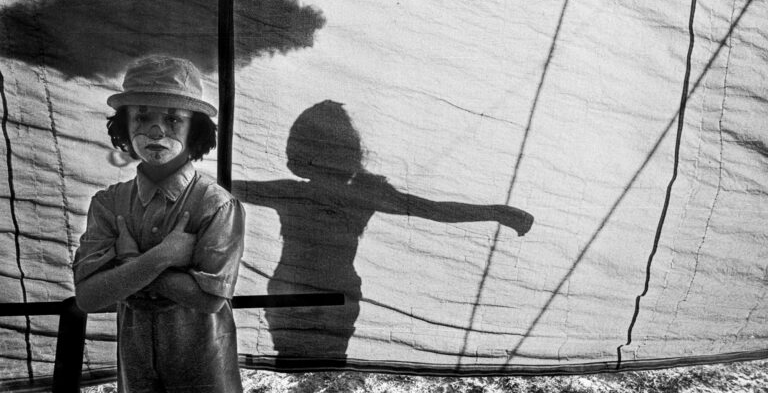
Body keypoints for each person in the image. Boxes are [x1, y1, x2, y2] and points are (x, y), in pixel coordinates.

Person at [233, 100, 533, 367]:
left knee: (303, 366)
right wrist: (493, 212)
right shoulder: (360, 193)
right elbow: (433, 210)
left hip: (297, 293)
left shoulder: (294, 192)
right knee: (320, 368)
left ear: (299, 152)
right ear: (350, 150)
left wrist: (494, 212)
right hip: (328, 294)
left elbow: (223, 186)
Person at [73, 56, 245, 393]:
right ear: (124, 124)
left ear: (194, 128)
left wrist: (129, 265)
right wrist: (162, 257)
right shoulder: (108, 203)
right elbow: (89, 296)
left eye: (172, 118)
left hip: (205, 371)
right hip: (136, 371)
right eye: (142, 116)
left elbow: (209, 300)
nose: (155, 131)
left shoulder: (216, 204)